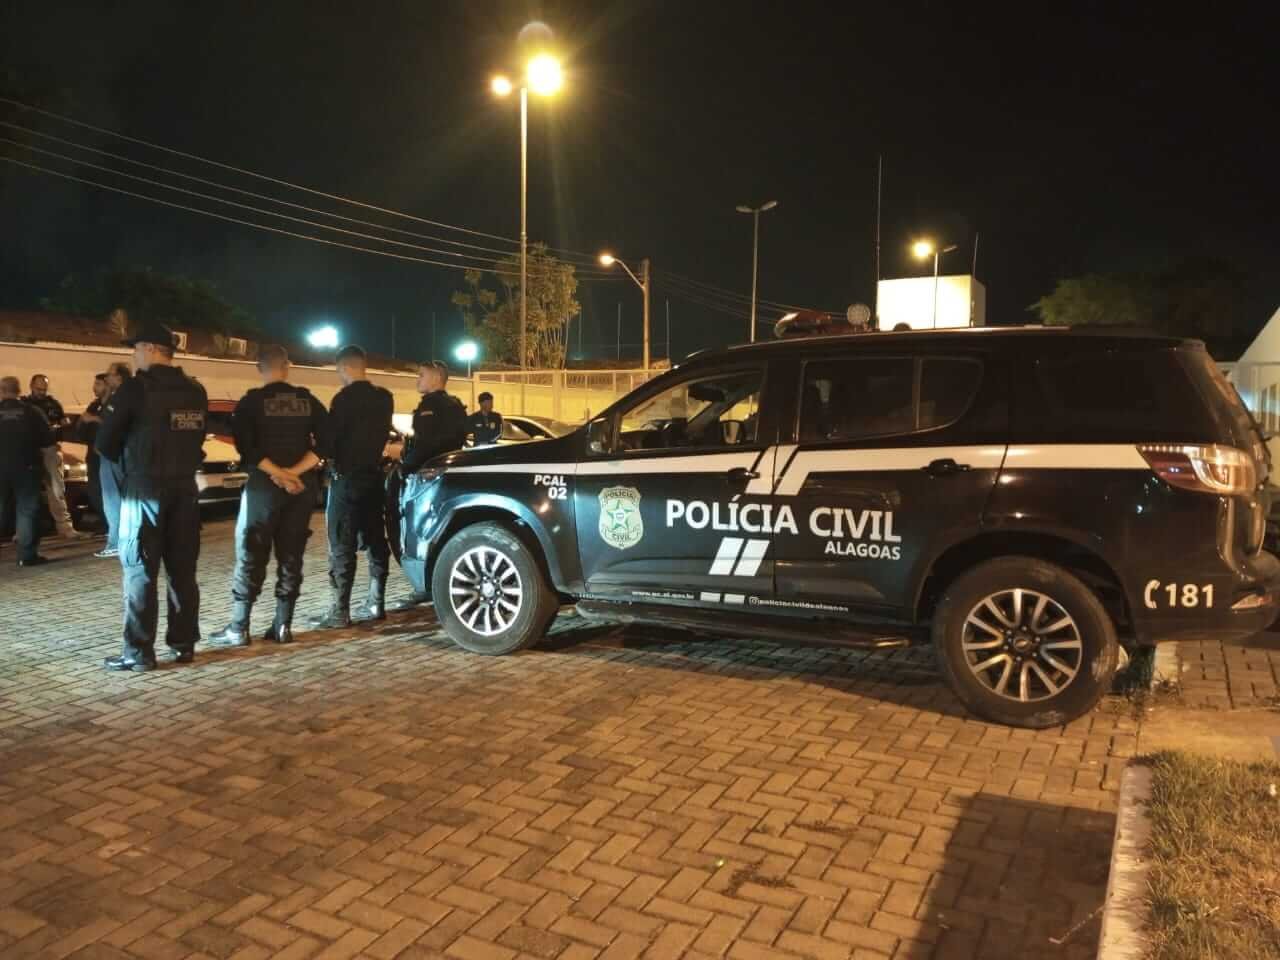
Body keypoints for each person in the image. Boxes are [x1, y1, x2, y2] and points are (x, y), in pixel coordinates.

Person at [96, 323, 209, 673]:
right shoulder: (195, 390)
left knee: (140, 571)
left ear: (150, 348)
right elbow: (198, 438)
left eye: (136, 349)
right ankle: (184, 644)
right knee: (183, 571)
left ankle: (139, 652)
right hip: (185, 491)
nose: (134, 356)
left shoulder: (135, 388)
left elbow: (105, 443)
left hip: (144, 491)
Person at [208, 346, 328, 647]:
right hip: (300, 489)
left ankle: (239, 627)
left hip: (263, 487)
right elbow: (327, 444)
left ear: (259, 368)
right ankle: (283, 625)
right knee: (291, 556)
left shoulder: (251, 402)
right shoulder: (308, 400)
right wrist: (293, 473)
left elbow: (246, 448)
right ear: (287, 367)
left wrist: (278, 473)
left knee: (251, 552)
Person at [310, 344, 394, 629]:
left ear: (345, 367)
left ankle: (340, 610)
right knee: (376, 540)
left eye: (339, 371)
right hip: (374, 477)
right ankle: (376, 601)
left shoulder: (343, 399)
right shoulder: (384, 398)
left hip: (346, 480)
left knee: (342, 544)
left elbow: (330, 441)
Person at [390, 360, 469, 612]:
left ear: (436, 378)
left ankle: (422, 585)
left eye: (422, 375)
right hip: (447, 476)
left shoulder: (432, 405)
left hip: (426, 477)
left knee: (415, 531)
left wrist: (405, 466)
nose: (418, 379)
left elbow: (427, 445)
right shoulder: (455, 405)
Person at [23, 374, 89, 540]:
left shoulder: (53, 404)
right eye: (38, 389)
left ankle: (65, 527)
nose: (41, 392)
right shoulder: (24, 405)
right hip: (29, 451)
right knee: (27, 492)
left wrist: (63, 424)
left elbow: (63, 422)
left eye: (44, 389)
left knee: (56, 490)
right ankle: (24, 530)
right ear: (31, 386)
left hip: (50, 449)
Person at [0, 376, 54, 567]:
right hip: (27, 467)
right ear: (19, 390)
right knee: (27, 510)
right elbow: (48, 441)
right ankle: (26, 556)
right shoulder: (32, 412)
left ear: (1, 391)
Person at [96, 362, 132, 558]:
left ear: (119, 377)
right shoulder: (129, 395)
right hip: (122, 453)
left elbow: (113, 426)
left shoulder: (119, 398)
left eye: (109, 375)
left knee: (112, 499)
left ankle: (115, 543)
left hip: (113, 454)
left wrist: (102, 446)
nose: (106, 378)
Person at [77, 373, 110, 535]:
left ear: (107, 385)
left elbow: (116, 426)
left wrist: (95, 420)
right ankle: (105, 521)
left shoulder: (114, 405)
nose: (94, 388)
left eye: (98, 384)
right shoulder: (94, 405)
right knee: (94, 491)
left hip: (108, 456)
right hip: (93, 455)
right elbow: (82, 425)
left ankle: (111, 524)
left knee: (109, 491)